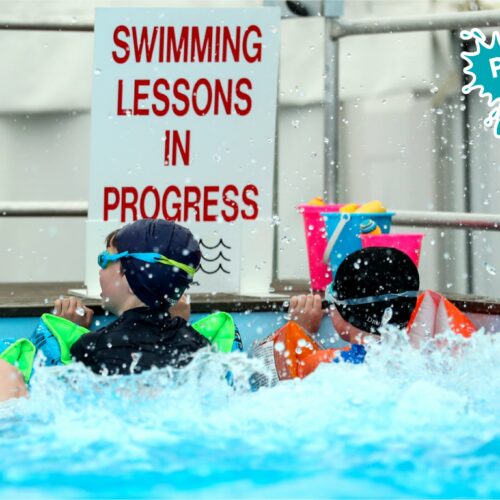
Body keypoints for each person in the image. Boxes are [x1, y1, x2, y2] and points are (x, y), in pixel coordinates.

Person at [46, 219, 209, 375]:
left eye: (104, 260)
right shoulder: (198, 345)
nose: (100, 270)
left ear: (126, 273)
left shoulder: (93, 348)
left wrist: (67, 331)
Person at [251, 247, 421, 385]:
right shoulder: (424, 358)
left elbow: (266, 381)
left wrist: (299, 330)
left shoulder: (326, 366)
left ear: (346, 312)